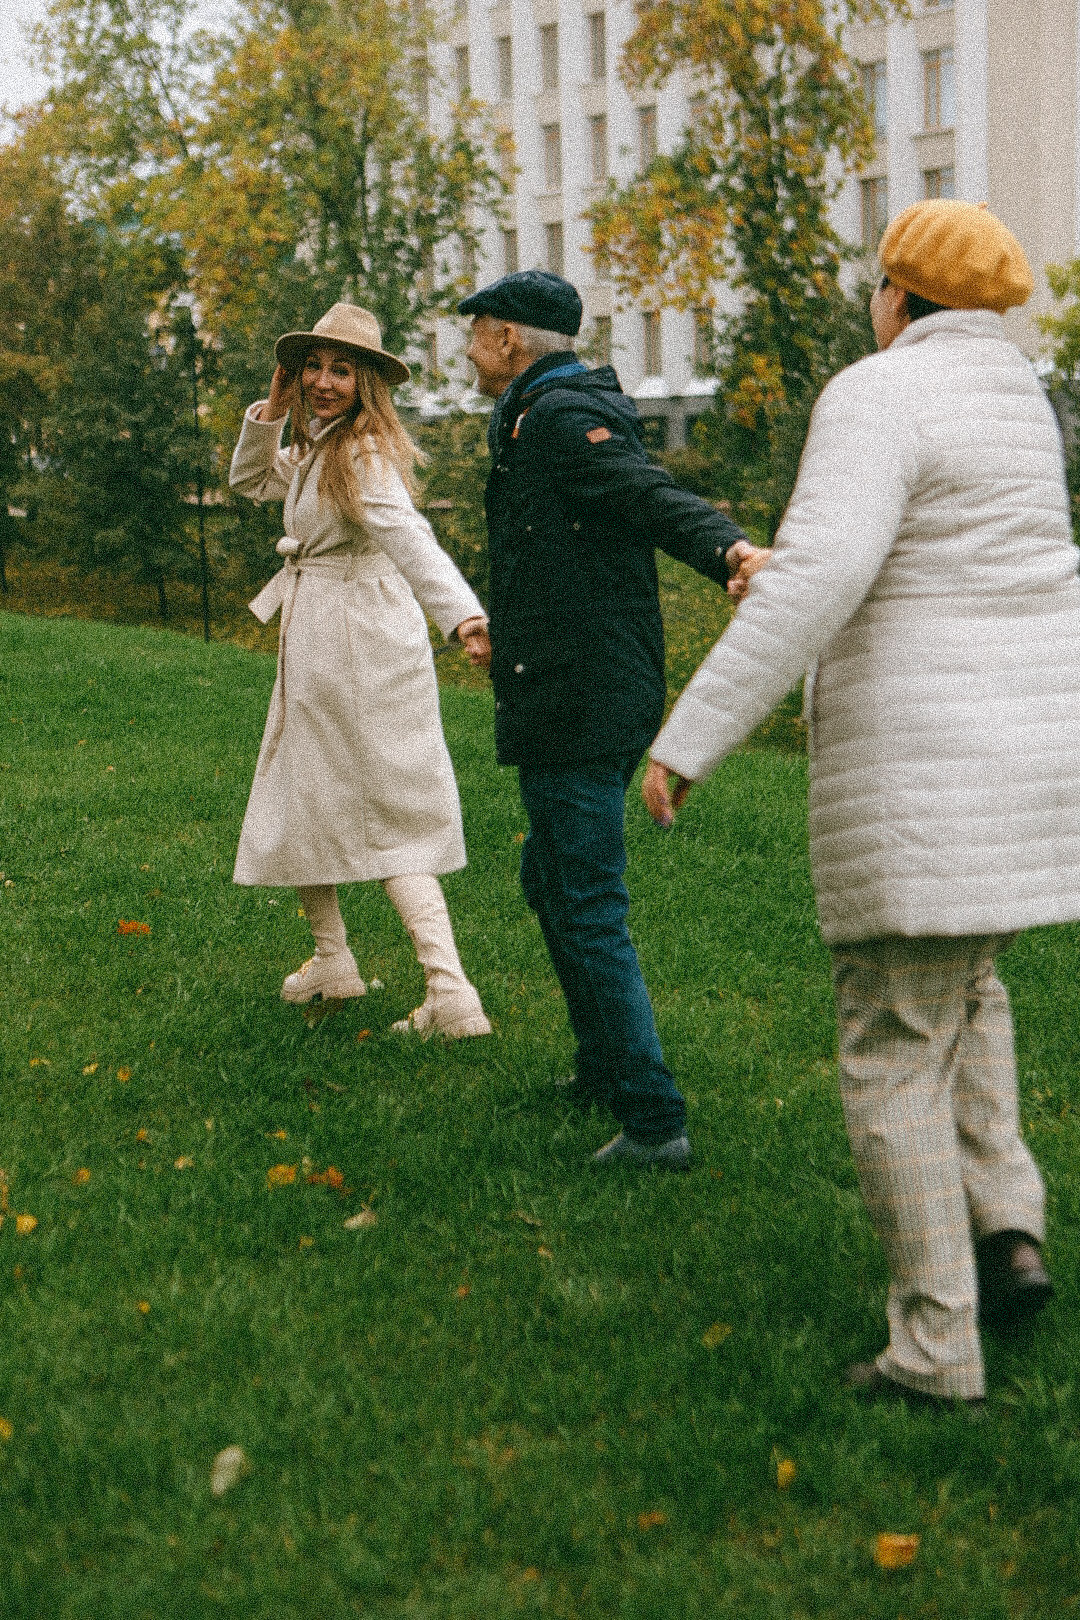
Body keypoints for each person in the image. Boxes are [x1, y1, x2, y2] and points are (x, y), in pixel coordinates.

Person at [643, 199, 1080, 1403]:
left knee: (890, 1044)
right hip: (1030, 762)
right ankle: (1008, 1228)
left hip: (928, 766)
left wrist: (689, 738)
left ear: (899, 295)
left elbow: (828, 574)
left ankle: (936, 1346)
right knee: (968, 992)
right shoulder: (1019, 404)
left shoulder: (878, 392)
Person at [457, 269, 749, 1168]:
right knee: (550, 880)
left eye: (477, 333)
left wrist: (730, 548)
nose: (468, 349)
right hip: (576, 683)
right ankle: (602, 1068)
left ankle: (655, 1122)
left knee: (585, 902)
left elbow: (641, 493)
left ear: (510, 341)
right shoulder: (537, 410)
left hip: (580, 697)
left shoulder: (556, 418)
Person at [229, 302, 493, 1039]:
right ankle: (332, 957)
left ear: (367, 381)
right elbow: (252, 480)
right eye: (312, 365)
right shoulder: (322, 446)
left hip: (356, 637)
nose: (322, 380)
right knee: (301, 787)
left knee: (386, 803)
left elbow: (408, 534)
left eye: (340, 369)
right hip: (325, 629)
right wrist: (272, 410)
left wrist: (463, 613)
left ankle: (450, 992)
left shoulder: (362, 452)